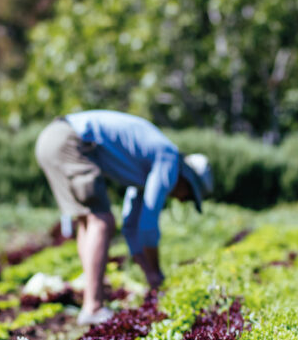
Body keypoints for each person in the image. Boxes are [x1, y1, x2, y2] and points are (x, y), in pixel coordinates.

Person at [35, 110, 213, 325]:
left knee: (87, 220)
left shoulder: (148, 166)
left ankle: (91, 301)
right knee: (102, 221)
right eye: (189, 195)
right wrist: (156, 273)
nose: (183, 200)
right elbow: (147, 226)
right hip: (70, 141)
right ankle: (93, 307)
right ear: (187, 179)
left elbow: (131, 227)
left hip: (51, 140)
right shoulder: (169, 159)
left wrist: (149, 274)